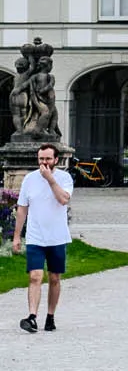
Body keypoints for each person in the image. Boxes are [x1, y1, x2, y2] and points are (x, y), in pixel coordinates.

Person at [13, 141, 73, 333]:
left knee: (54, 278)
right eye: (41, 159)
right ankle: (32, 317)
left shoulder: (64, 178)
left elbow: (63, 199)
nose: (44, 162)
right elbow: (22, 208)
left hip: (57, 237)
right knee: (35, 276)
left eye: (48, 158)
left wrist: (50, 180)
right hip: (35, 236)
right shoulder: (29, 179)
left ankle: (50, 315)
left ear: (56, 159)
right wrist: (16, 236)